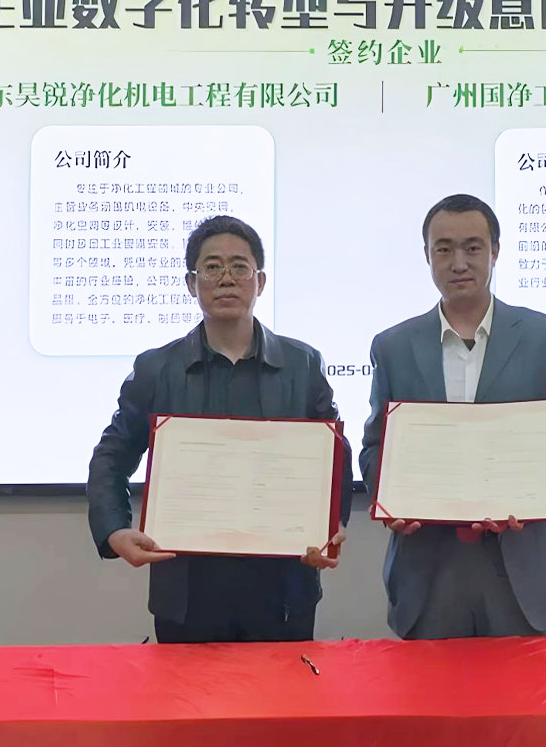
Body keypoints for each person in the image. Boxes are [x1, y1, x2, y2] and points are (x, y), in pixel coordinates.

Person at [87, 215, 350, 644]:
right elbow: (112, 457)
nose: (226, 278)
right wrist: (114, 529)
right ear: (191, 284)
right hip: (188, 592)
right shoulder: (156, 368)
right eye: (211, 267)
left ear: (260, 281)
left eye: (239, 266)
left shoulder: (303, 365)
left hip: (283, 589)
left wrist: (330, 526)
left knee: (284, 690)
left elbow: (334, 458)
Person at [360, 194, 546, 639]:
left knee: (525, 688)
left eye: (473, 248)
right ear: (427, 255)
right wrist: (391, 501)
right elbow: (375, 448)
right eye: (444, 249)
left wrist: (536, 496)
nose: (459, 263)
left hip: (520, 574)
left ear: (495, 252)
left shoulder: (545, 337)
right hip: (428, 574)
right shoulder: (393, 346)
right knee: (427, 686)